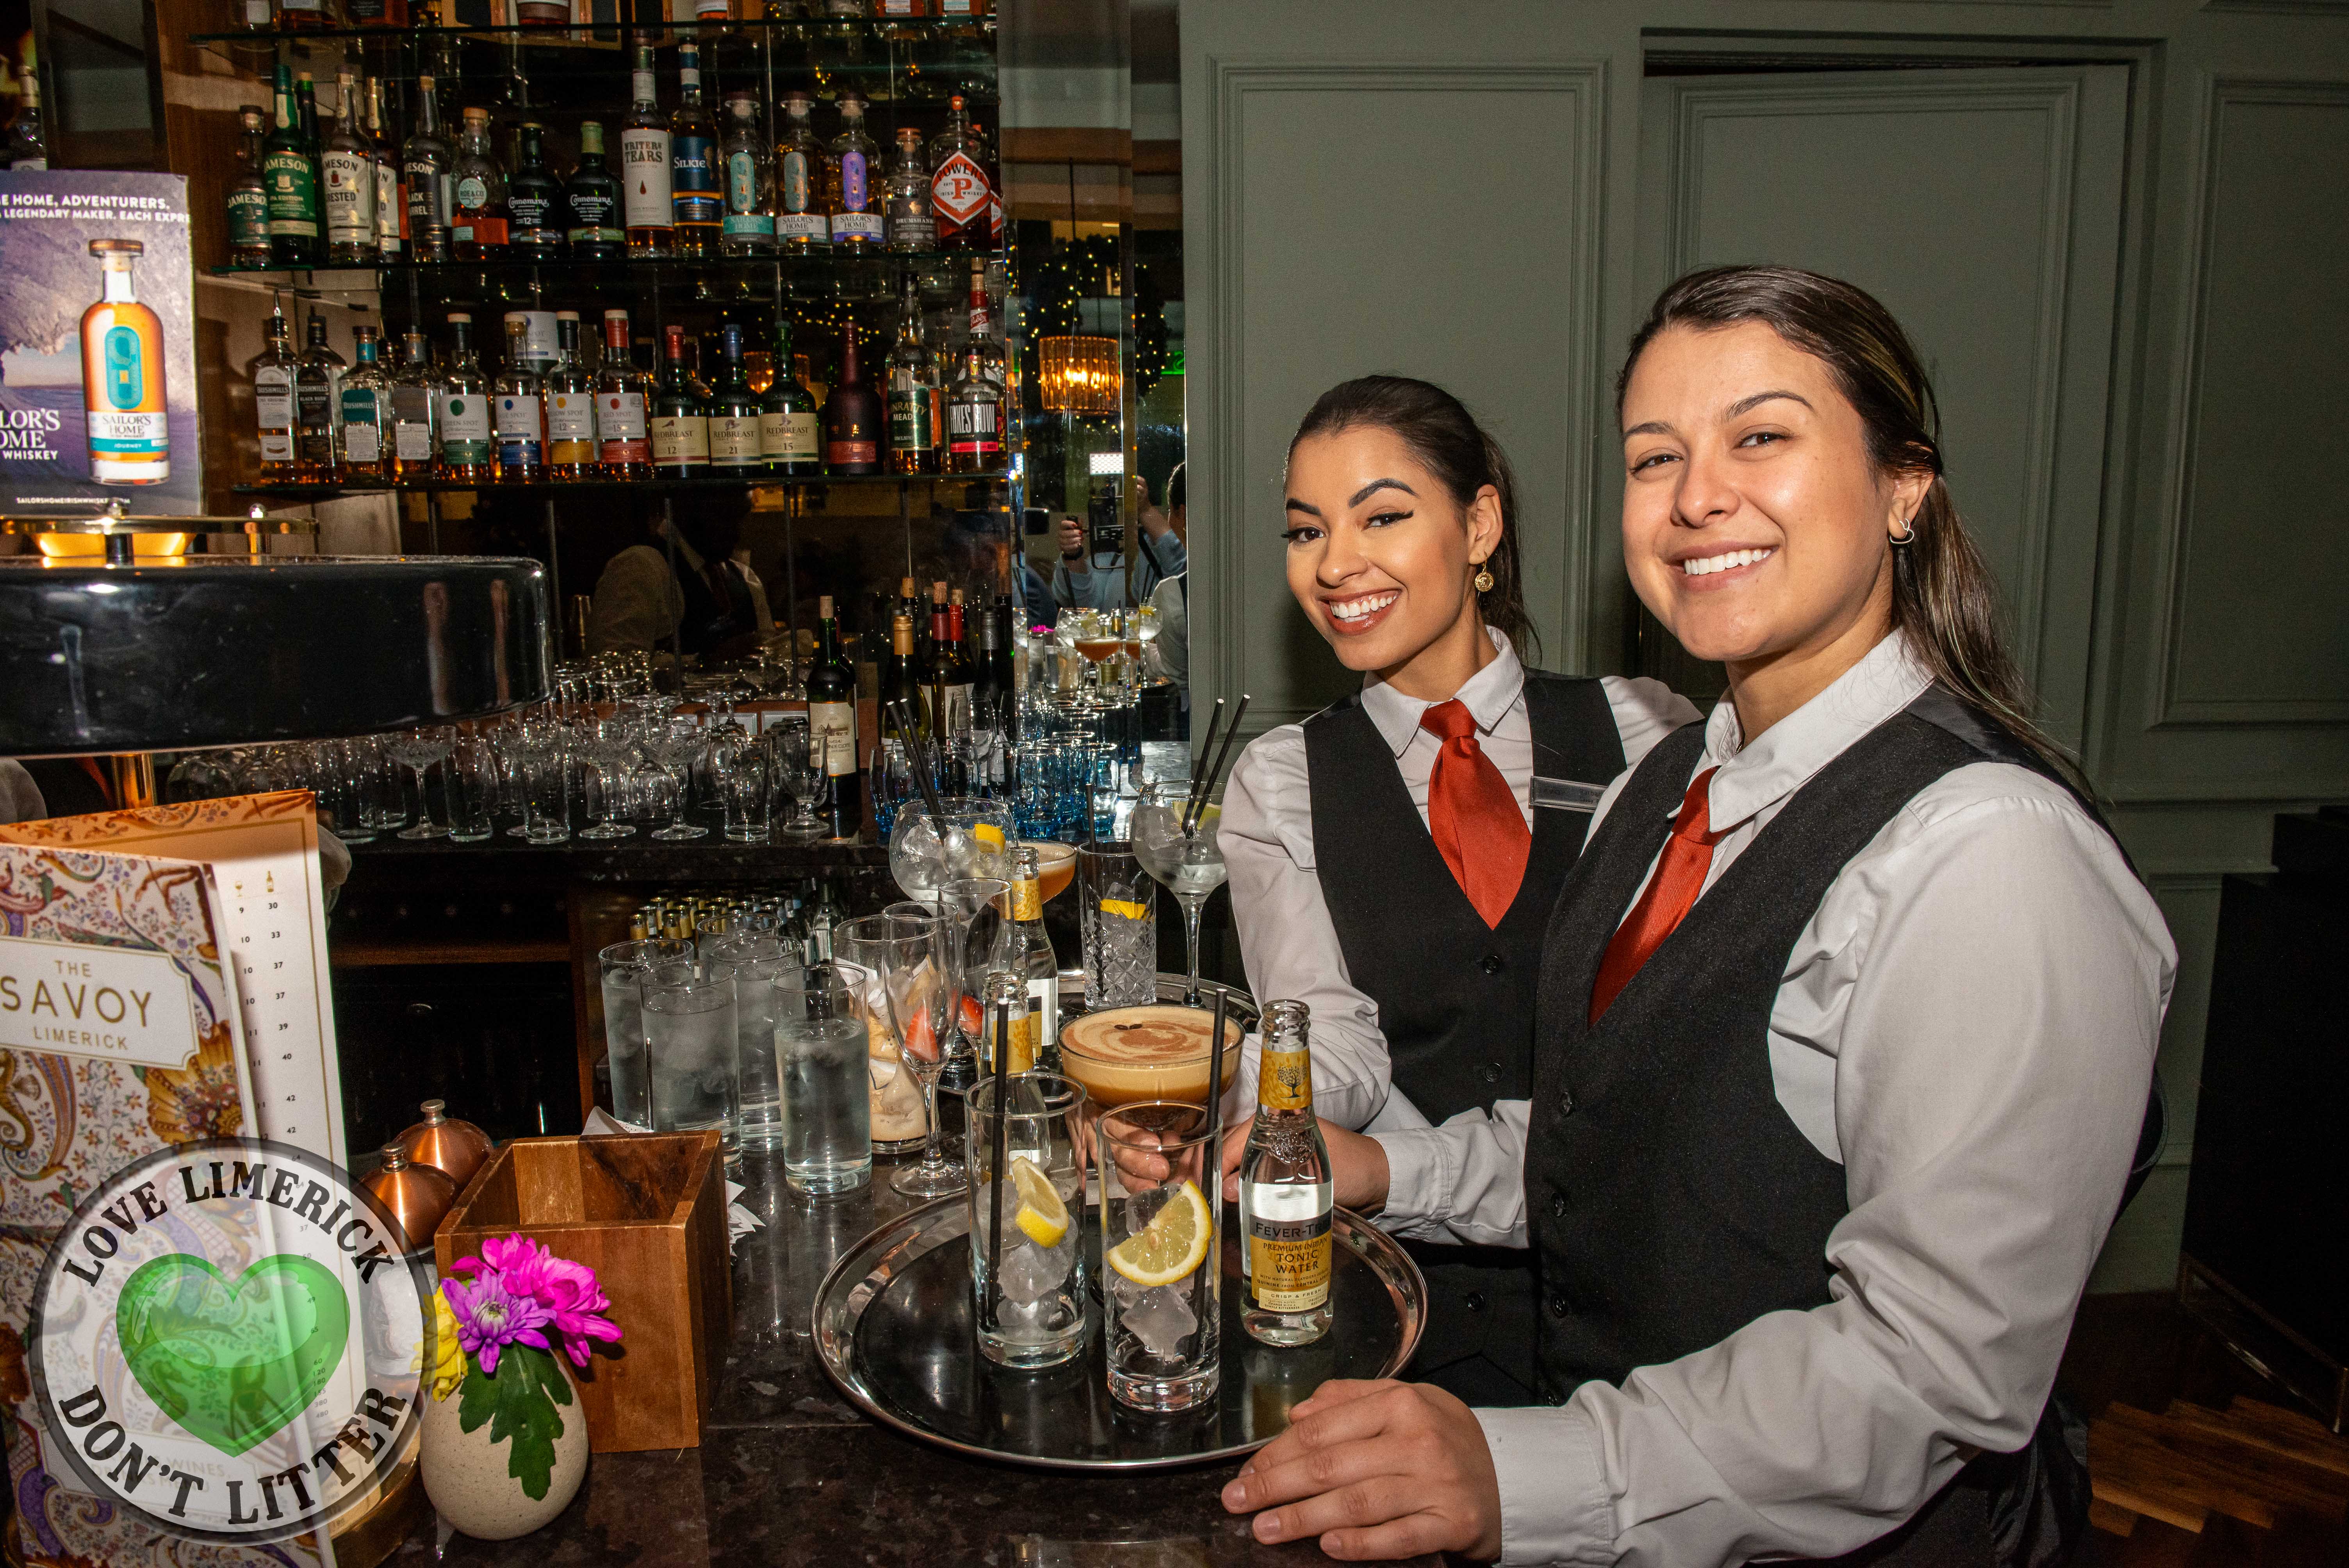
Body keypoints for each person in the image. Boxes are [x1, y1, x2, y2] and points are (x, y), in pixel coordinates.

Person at [1217, 267, 2173, 1566]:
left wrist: (1526, 1471)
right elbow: (1603, 1144)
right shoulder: (1663, 790)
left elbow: (1930, 1372)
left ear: (1904, 485)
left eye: (1760, 437)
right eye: (1654, 455)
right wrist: (1391, 1171)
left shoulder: (1989, 853)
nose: (1695, 496)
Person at [1218, 378, 1697, 1404]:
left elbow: (1657, 1088)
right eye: (1306, 530)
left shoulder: (1648, 735)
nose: (1334, 564)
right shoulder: (1282, 781)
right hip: (1392, 1325)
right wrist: (1206, 1090)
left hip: (1631, 1325)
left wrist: (1392, 1168)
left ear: (1479, 525)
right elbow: (1334, 1048)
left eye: (1382, 516)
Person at [586, 504, 773, 659]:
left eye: (740, 517)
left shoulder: (745, 577)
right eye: (724, 517)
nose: (737, 533)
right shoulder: (642, 566)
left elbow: (769, 650)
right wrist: (706, 661)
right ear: (684, 508)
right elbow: (614, 666)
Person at [1052, 471, 1186, 609]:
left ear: (1182, 514)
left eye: (1169, 511)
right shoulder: (1105, 563)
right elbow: (1084, 605)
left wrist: (1145, 509)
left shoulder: (1172, 562)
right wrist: (1072, 555)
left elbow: (1179, 562)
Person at [1144, 462, 1190, 699]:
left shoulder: (1172, 594)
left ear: (1182, 513)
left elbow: (1177, 676)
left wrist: (1138, 651)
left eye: (1170, 511)